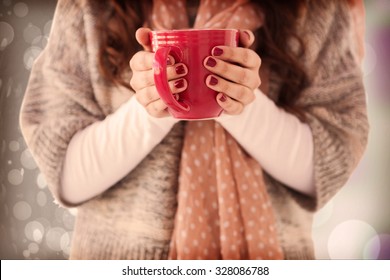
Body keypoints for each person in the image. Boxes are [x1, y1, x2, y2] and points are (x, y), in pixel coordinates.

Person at [19, 0, 368, 260]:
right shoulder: (89, 8)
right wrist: (152, 110)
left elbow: (330, 159)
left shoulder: (318, 9)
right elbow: (64, 169)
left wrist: (238, 105)